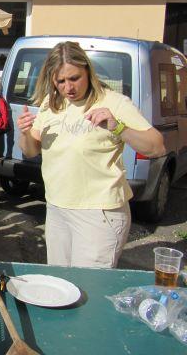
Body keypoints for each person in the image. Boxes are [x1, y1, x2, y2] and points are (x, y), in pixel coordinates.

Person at [17, 41, 165, 268]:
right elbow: (30, 151)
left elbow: (156, 147)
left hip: (99, 214)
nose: (68, 88)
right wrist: (26, 132)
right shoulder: (51, 103)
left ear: (88, 70)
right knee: (61, 285)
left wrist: (118, 127)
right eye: (61, 81)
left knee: (88, 292)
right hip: (57, 209)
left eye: (74, 78)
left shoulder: (114, 102)